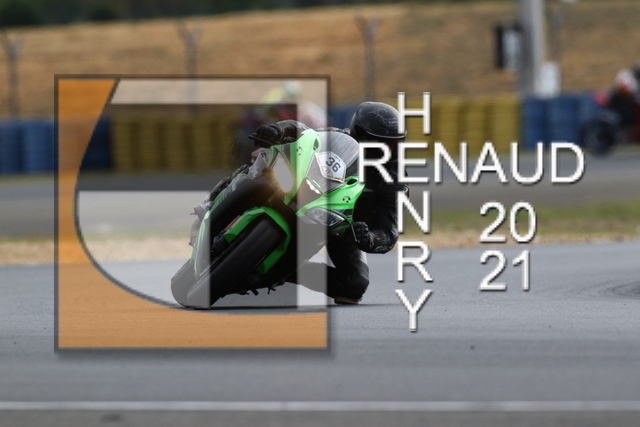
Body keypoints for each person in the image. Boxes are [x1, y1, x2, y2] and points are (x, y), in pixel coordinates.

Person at [191, 102, 407, 304]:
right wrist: (278, 130)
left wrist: (369, 238)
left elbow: (388, 233)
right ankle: (218, 197)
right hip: (303, 189)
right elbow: (303, 132)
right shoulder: (338, 138)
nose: (388, 150)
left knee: (354, 284)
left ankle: (282, 272)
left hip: (342, 226)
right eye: (382, 143)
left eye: (395, 144)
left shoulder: (395, 180)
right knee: (263, 162)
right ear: (359, 133)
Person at [609, 63, 640, 131]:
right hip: (621, 100)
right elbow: (623, 90)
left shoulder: (636, 81)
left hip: (631, 101)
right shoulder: (626, 76)